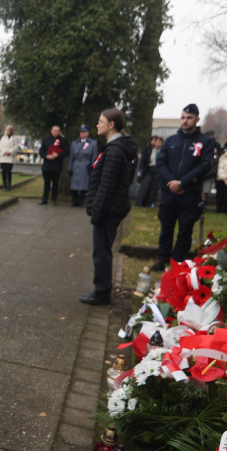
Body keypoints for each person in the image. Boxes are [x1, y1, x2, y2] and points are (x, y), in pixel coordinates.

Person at [80, 108, 138, 305]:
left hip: (107, 211)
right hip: (110, 209)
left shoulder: (114, 151)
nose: (97, 125)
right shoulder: (114, 148)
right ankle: (102, 289)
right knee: (102, 251)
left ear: (111, 125)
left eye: (101, 121)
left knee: (101, 252)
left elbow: (107, 186)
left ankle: (102, 292)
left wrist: (96, 213)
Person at [152, 104, 215, 270]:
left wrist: (182, 183)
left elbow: (204, 166)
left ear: (197, 119)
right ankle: (163, 258)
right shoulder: (171, 140)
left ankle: (177, 260)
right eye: (183, 117)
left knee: (185, 229)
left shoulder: (206, 142)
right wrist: (172, 182)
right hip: (169, 192)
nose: (185, 121)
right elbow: (161, 163)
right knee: (166, 227)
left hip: (190, 193)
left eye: (189, 118)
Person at [68, 125, 97, 207]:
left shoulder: (92, 143)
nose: (82, 134)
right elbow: (71, 156)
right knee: (74, 184)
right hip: (76, 164)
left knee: (84, 184)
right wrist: (70, 167)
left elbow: (94, 156)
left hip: (85, 165)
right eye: (81, 132)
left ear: (88, 133)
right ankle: (74, 201)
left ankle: (81, 201)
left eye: (84, 132)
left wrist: (93, 167)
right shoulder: (74, 143)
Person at [39, 125, 68, 205]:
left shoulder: (63, 141)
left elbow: (66, 152)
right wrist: (46, 156)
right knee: (46, 183)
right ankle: (44, 199)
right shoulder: (46, 140)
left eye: (57, 131)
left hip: (57, 166)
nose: (56, 133)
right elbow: (41, 151)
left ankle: (54, 199)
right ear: (51, 131)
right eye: (54, 131)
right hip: (47, 165)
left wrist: (58, 155)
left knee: (55, 184)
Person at [136, 136, 162, 207]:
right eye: (156, 142)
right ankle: (139, 203)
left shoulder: (162, 152)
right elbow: (143, 161)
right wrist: (141, 171)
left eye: (159, 142)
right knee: (144, 186)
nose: (157, 144)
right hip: (149, 169)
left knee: (154, 187)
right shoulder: (149, 150)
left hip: (157, 170)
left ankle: (150, 203)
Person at [0, 125, 18, 191]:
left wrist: (10, 152)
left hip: (10, 158)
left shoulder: (14, 138)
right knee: (3, 172)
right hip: (3, 157)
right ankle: (4, 185)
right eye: (8, 130)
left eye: (10, 130)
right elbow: (0, 147)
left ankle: (9, 185)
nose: (9, 131)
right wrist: (4, 152)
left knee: (8, 172)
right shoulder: (3, 138)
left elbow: (16, 147)